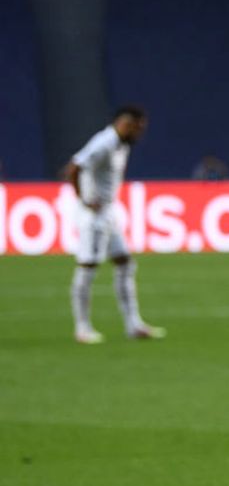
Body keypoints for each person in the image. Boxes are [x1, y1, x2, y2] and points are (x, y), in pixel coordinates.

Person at [64, 106, 165, 344]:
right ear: (127, 124)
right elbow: (73, 167)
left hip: (109, 212)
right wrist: (84, 200)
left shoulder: (120, 144)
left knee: (125, 263)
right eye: (139, 128)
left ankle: (133, 325)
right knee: (88, 266)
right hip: (94, 215)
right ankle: (82, 327)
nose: (140, 134)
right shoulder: (104, 143)